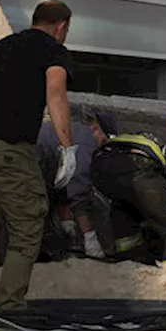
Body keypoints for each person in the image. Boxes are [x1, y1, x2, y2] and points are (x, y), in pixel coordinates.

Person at [0, 0, 77, 309]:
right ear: (61, 26)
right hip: (10, 149)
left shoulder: (2, 47)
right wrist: (67, 147)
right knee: (26, 227)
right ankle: (11, 308)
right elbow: (56, 94)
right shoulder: (52, 49)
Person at [90, 130, 166, 269]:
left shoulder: (159, 144)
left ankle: (130, 265)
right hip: (139, 168)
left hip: (101, 168)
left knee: (126, 209)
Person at [38, 110, 114, 258]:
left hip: (33, 162)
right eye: (103, 141)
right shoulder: (85, 141)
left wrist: (67, 221)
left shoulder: (74, 130)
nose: (101, 147)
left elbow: (60, 183)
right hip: (30, 164)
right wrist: (89, 236)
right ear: (95, 129)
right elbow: (78, 188)